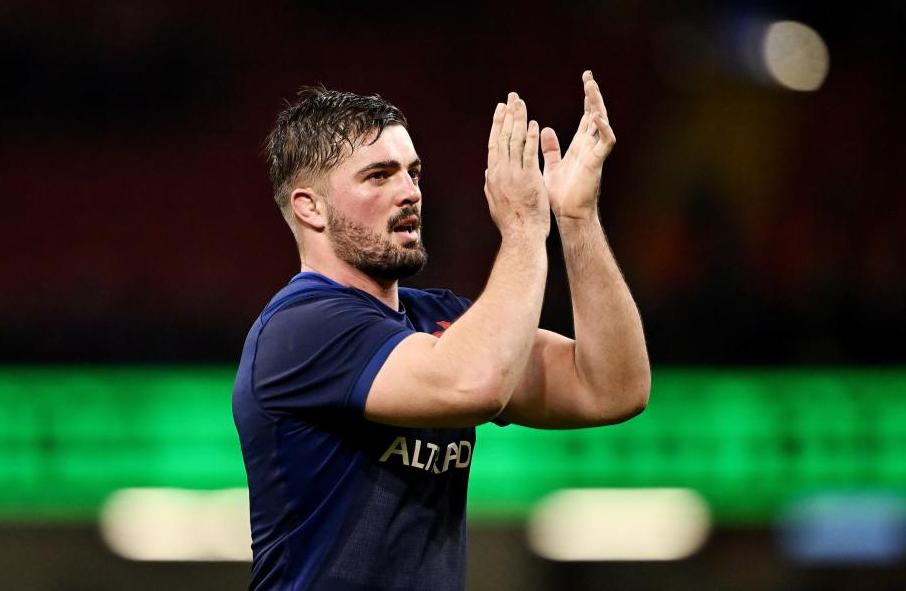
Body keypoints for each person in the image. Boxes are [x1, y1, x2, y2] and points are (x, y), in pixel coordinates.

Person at [232, 71, 651, 591]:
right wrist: (523, 227)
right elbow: (474, 384)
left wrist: (576, 217)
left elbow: (612, 387)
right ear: (309, 207)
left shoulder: (437, 320)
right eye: (379, 176)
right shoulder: (300, 329)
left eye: (414, 172)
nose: (409, 192)